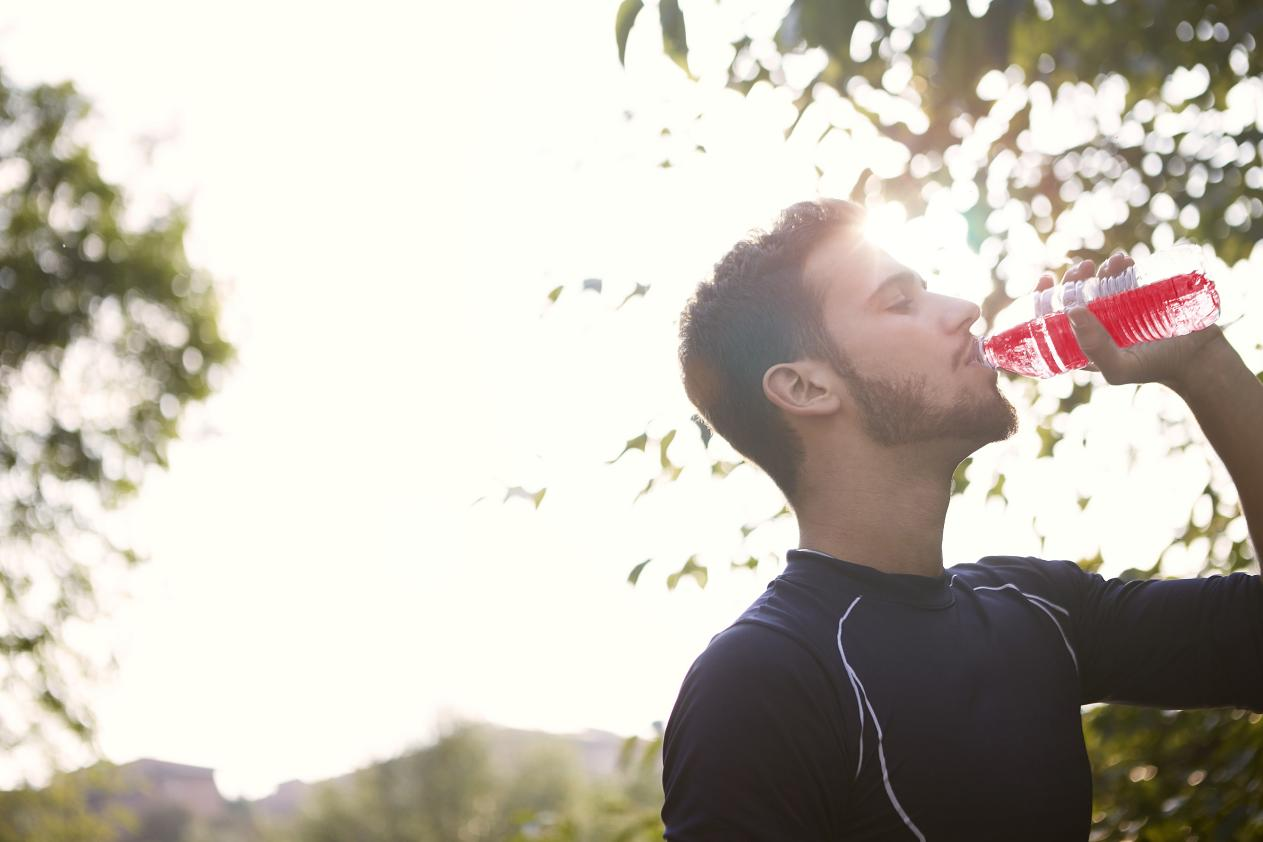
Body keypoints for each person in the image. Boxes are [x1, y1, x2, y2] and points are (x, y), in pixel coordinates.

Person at [662, 198, 1263, 840]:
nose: (965, 310)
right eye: (900, 302)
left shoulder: (1036, 606)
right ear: (806, 388)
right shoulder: (762, 680)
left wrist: (1204, 365)